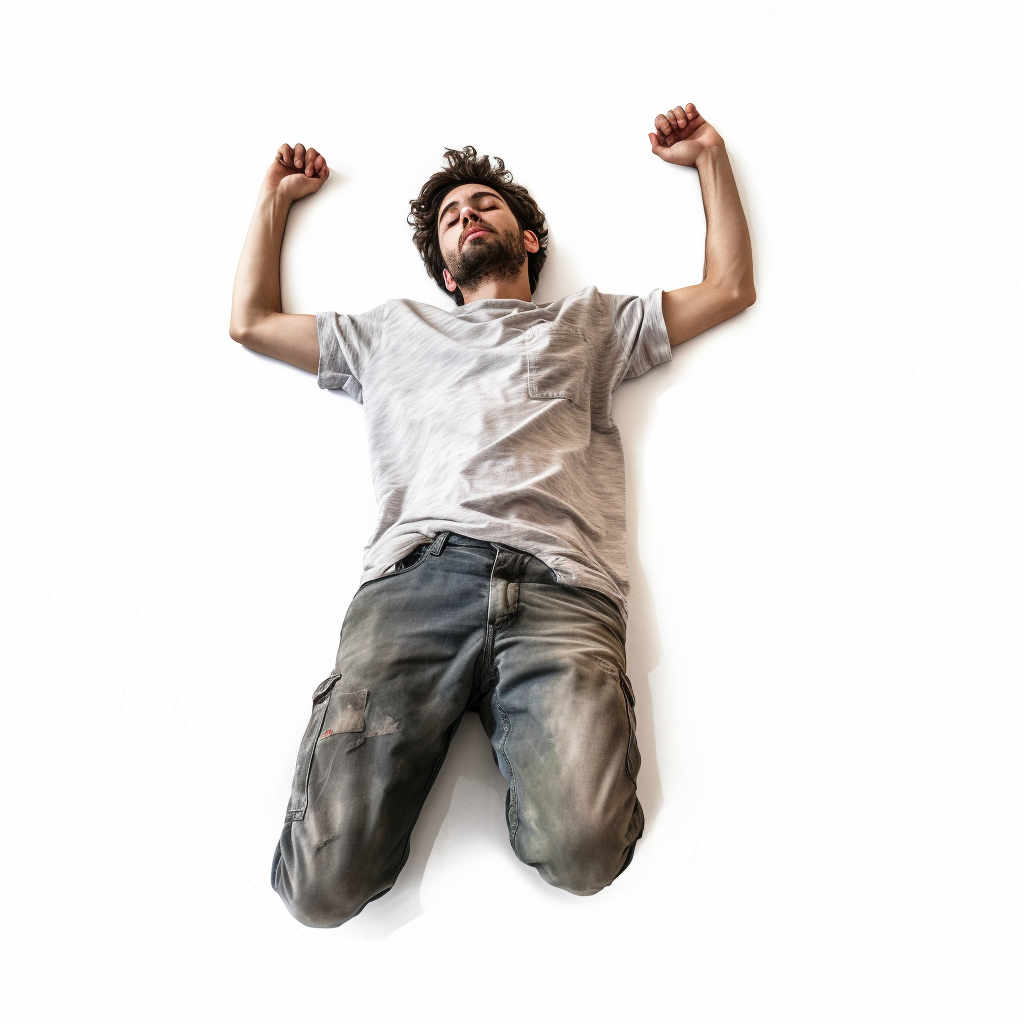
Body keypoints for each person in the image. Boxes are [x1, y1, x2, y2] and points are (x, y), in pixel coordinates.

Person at [229, 103, 754, 928]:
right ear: (444, 265)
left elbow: (728, 287)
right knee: (320, 893)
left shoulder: (591, 322)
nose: (466, 216)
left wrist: (712, 157)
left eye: (485, 205)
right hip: (415, 585)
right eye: (450, 216)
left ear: (527, 238)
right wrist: (274, 200)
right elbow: (251, 323)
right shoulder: (388, 333)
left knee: (585, 858)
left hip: (561, 591)